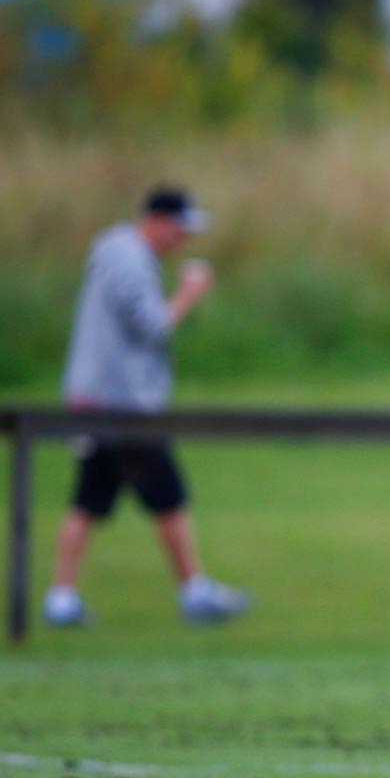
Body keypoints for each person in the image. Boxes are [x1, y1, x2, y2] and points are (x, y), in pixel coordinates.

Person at [42, 185, 249, 628]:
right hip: (122, 405)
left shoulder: (115, 253)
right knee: (168, 495)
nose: (182, 240)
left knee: (89, 499)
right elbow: (152, 326)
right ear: (156, 220)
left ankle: (61, 597)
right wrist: (190, 292)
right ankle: (194, 592)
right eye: (179, 229)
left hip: (97, 398)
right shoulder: (131, 260)